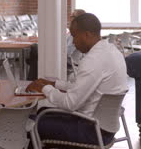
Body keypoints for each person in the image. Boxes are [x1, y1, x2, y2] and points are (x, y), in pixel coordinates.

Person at [26, 13, 129, 145]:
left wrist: (45, 88)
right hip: (106, 128)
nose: (73, 42)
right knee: (42, 112)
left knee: (32, 122)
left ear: (87, 34)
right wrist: (54, 84)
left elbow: (70, 103)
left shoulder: (93, 60)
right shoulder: (112, 51)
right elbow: (83, 87)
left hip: (92, 131)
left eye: (74, 36)